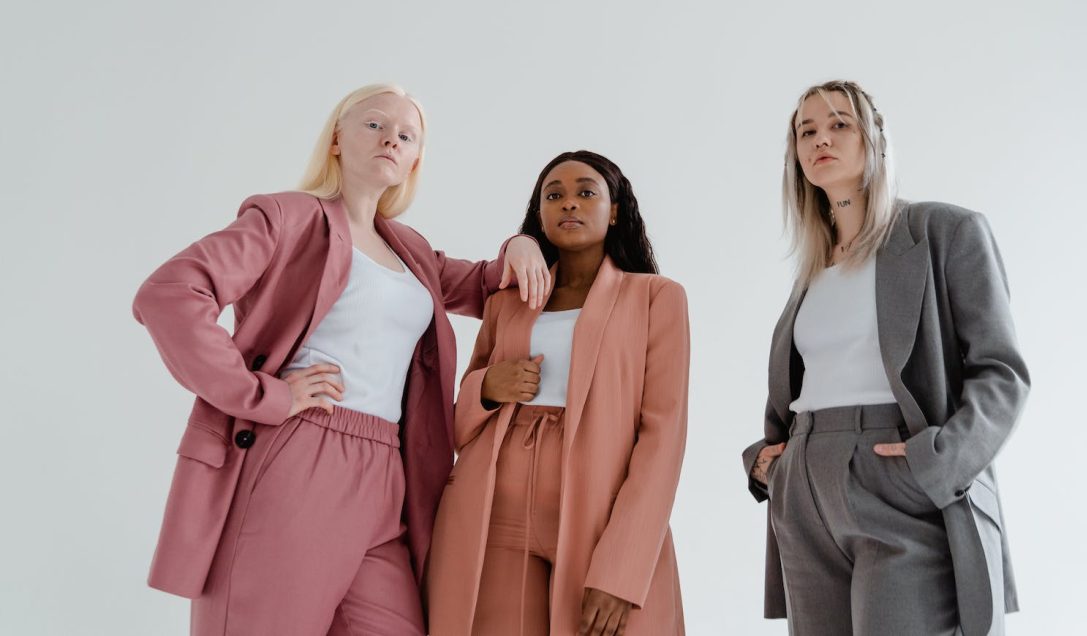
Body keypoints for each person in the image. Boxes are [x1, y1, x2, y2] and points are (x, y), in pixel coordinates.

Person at [132, 83, 550, 635]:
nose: (390, 140)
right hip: (303, 449)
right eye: (374, 124)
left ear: (414, 161)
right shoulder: (288, 218)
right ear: (337, 138)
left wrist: (520, 244)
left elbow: (485, 283)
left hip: (389, 470)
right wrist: (264, 394)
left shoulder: (410, 250)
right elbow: (170, 293)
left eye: (406, 135)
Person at [741, 81, 1029, 636]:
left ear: (875, 139)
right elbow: (807, 382)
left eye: (839, 124)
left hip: (899, 473)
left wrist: (941, 460)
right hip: (804, 486)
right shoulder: (812, 270)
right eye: (806, 131)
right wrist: (768, 464)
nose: (820, 139)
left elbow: (1002, 371)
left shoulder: (944, 231)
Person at [427, 150, 689, 636]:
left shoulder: (656, 297)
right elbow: (459, 425)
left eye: (586, 192)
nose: (569, 204)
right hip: (493, 513)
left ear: (614, 210)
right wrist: (487, 387)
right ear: (540, 214)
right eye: (555, 195)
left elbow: (663, 437)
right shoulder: (507, 302)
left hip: (598, 512)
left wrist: (623, 571)